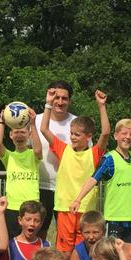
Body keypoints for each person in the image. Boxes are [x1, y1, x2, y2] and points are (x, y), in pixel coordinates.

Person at [39, 90, 110, 253]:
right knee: (65, 252)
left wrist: (101, 106)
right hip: (65, 208)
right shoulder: (64, 149)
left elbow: (106, 132)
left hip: (86, 210)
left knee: (84, 251)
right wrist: (48, 104)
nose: (72, 137)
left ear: (88, 136)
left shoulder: (94, 153)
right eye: (71, 133)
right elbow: (44, 129)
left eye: (77, 134)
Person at [71, 117, 131, 260]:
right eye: (124, 133)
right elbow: (93, 179)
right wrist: (78, 199)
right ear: (116, 135)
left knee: (130, 256)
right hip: (114, 217)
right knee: (113, 255)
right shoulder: (109, 159)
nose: (128, 137)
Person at [33, 81, 80, 239]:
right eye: (56, 97)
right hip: (40, 186)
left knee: (67, 235)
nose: (60, 102)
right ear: (49, 97)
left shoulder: (77, 123)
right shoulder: (35, 121)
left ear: (70, 100)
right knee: (38, 234)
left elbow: (84, 156)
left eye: (64, 98)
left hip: (67, 189)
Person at [0, 106, 42, 238]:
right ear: (11, 135)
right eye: (16, 132)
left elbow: (38, 150)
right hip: (12, 206)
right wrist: (2, 121)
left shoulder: (33, 154)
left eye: (23, 132)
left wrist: (33, 124)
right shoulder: (8, 156)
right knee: (9, 242)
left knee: (30, 242)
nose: (19, 135)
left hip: (31, 207)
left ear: (29, 135)